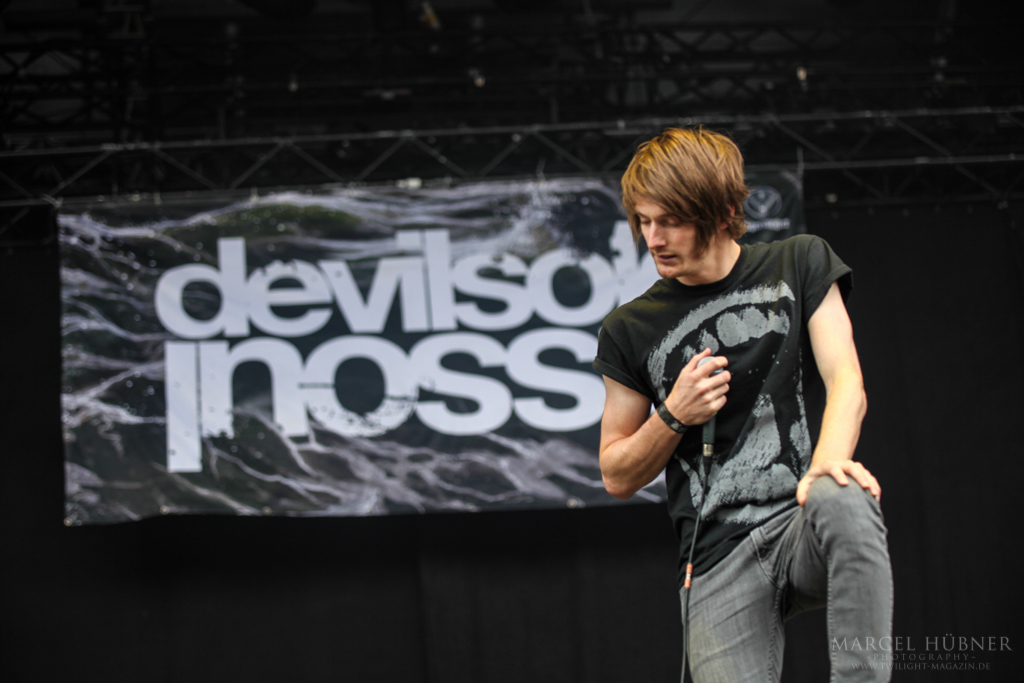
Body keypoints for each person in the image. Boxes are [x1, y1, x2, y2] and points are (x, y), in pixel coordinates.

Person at [593, 127, 892, 682]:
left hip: (801, 517)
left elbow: (846, 378)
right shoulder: (628, 329)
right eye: (643, 220)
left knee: (846, 494)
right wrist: (673, 414)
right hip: (716, 560)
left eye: (670, 221)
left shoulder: (800, 261)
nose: (653, 238)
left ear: (725, 212)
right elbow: (615, 473)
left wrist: (827, 466)